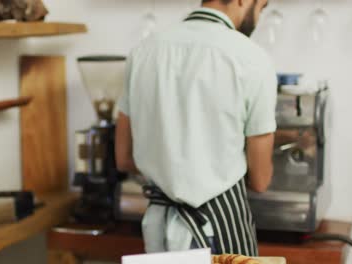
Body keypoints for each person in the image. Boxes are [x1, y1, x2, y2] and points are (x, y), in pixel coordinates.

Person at [115, 0, 276, 257]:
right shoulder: (252, 58)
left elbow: (123, 158)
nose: (259, 16)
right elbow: (260, 179)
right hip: (216, 229)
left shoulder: (142, 52)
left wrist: (170, 171)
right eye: (262, 7)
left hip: (157, 227)